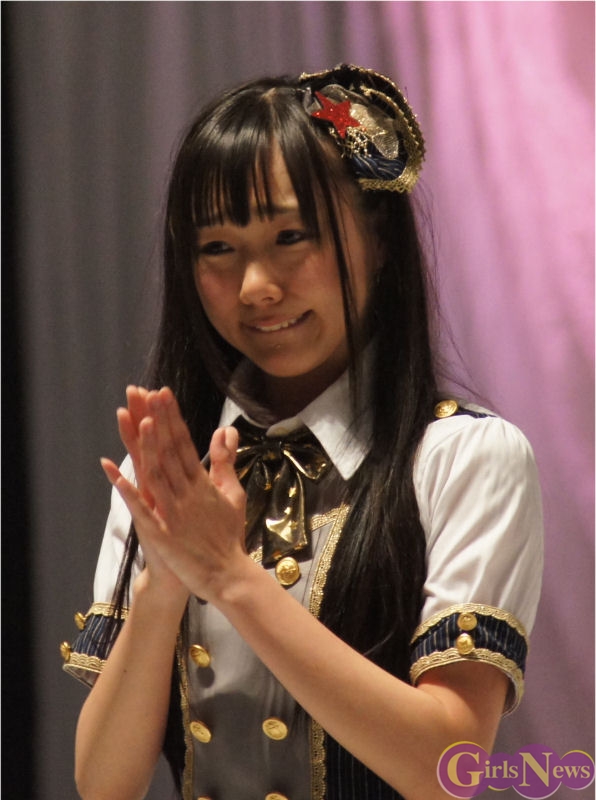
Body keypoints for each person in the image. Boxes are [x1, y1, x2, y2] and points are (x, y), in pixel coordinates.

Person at [61, 64, 543, 800]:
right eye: (217, 248)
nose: (256, 287)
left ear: (378, 240)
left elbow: (449, 768)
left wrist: (228, 576)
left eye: (291, 236)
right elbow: (103, 783)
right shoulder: (169, 479)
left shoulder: (466, 458)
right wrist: (166, 583)